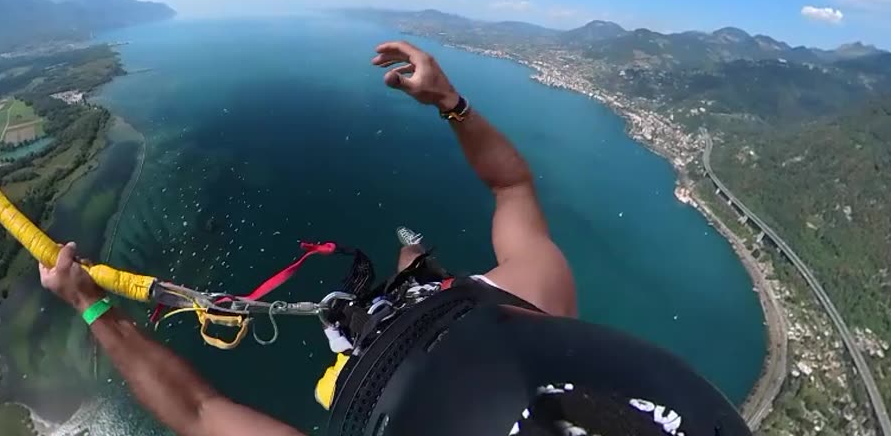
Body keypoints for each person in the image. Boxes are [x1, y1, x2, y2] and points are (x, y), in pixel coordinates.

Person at [39, 41, 753, 436]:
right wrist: (91, 307)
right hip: (418, 344)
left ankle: (411, 274)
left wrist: (452, 103)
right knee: (414, 264)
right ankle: (410, 273)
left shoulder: (536, 301)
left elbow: (201, 413)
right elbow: (203, 415)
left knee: (416, 264)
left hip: (450, 324)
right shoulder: (534, 296)